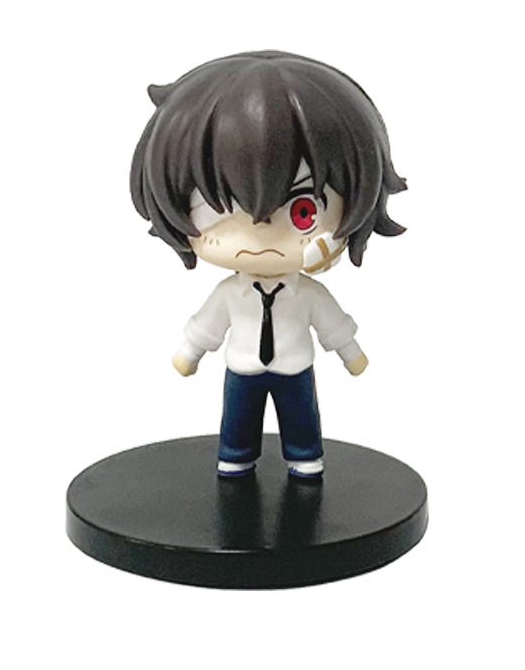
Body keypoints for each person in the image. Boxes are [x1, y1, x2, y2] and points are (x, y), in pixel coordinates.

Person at [130, 51, 406, 477]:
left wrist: (350, 353)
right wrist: (189, 353)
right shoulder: (230, 294)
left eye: (302, 212)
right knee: (237, 418)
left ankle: (305, 457)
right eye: (220, 209)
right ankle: (235, 457)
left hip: (294, 368)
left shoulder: (308, 294)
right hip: (242, 368)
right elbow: (207, 326)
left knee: (301, 416)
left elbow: (332, 324)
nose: (260, 236)